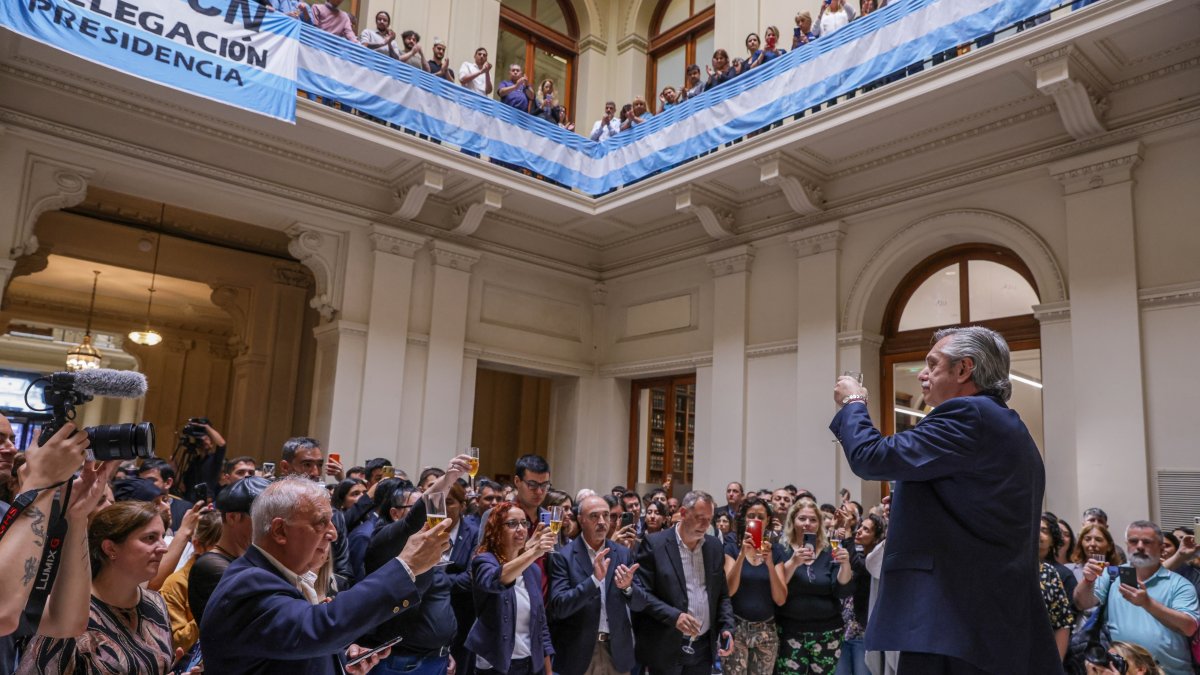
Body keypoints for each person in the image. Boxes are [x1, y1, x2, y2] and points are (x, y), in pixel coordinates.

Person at [831, 325, 1063, 674]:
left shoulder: (969, 415)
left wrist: (854, 403)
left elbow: (871, 457)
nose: (922, 375)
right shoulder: (1002, 423)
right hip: (979, 619)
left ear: (964, 369)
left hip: (956, 620)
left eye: (932, 364)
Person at [199, 476, 452, 674]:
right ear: (279, 531)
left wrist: (340, 662)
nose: (333, 533)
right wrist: (406, 565)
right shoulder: (249, 582)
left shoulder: (278, 577)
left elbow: (290, 650)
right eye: (321, 522)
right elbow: (319, 627)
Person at [18, 501, 174, 674]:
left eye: (162, 536)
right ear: (110, 548)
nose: (164, 548)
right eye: (150, 538)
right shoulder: (67, 614)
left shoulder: (157, 604)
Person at [362, 457, 471, 675]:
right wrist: (449, 477)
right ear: (395, 513)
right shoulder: (384, 540)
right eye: (417, 507)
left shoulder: (425, 546)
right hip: (402, 663)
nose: (429, 512)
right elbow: (415, 519)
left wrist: (443, 649)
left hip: (435, 658)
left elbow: (435, 602)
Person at [1074, 520, 1199, 675]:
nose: (1139, 546)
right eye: (1134, 541)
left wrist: (1147, 603)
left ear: (1161, 549)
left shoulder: (1179, 584)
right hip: (1124, 671)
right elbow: (1082, 603)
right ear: (1127, 545)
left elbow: (1189, 627)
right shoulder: (1112, 575)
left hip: (1172, 671)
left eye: (1147, 542)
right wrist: (1088, 581)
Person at [633, 490, 735, 675]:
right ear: (683, 512)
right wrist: (675, 616)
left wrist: (727, 626)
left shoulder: (713, 546)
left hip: (703, 647)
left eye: (709, 519)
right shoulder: (654, 544)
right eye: (699, 517)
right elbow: (642, 595)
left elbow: (721, 594)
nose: (705, 525)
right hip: (666, 645)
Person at [546, 494, 644, 675]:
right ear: (580, 519)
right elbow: (559, 607)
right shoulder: (564, 556)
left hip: (617, 652)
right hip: (579, 653)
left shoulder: (622, 554)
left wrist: (628, 588)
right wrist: (593, 581)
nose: (602, 521)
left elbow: (640, 603)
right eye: (594, 516)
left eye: (606, 515)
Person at [466, 501, 557, 675]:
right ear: (496, 530)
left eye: (524, 523)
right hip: (495, 665)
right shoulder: (484, 561)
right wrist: (533, 552)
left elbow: (540, 625)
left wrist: (548, 670)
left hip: (531, 664)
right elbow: (496, 580)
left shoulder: (533, 570)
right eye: (512, 524)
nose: (521, 529)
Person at [774, 498, 854, 675]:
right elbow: (777, 587)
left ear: (819, 524)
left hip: (827, 632)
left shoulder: (829, 550)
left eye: (812, 520)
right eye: (802, 519)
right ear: (792, 520)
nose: (807, 524)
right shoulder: (781, 549)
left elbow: (842, 590)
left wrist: (845, 564)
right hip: (790, 631)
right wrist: (794, 562)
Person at [188, 476, 270, 625]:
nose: (269, 526)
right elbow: (266, 613)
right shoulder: (210, 566)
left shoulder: (248, 558)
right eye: (262, 518)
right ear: (233, 517)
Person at [279, 437, 354, 586]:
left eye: (319, 465)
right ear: (285, 467)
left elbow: (344, 571)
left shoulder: (334, 514)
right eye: (307, 464)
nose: (315, 472)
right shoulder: (268, 506)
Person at [724, 497, 786, 675]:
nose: (756, 521)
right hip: (737, 627)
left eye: (761, 517)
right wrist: (742, 555)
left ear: (768, 521)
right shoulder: (732, 548)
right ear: (744, 519)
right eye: (751, 516)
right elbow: (728, 590)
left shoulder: (776, 551)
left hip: (766, 630)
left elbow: (780, 599)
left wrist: (769, 564)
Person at [161, 509, 221, 656]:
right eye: (220, 548)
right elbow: (176, 644)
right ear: (198, 545)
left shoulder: (237, 576)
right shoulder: (175, 585)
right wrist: (212, 610)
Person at [837, 513, 885, 675]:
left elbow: (858, 566)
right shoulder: (858, 555)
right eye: (860, 527)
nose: (859, 531)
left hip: (862, 631)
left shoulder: (876, 562)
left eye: (866, 530)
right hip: (844, 629)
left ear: (876, 538)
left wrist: (848, 534)